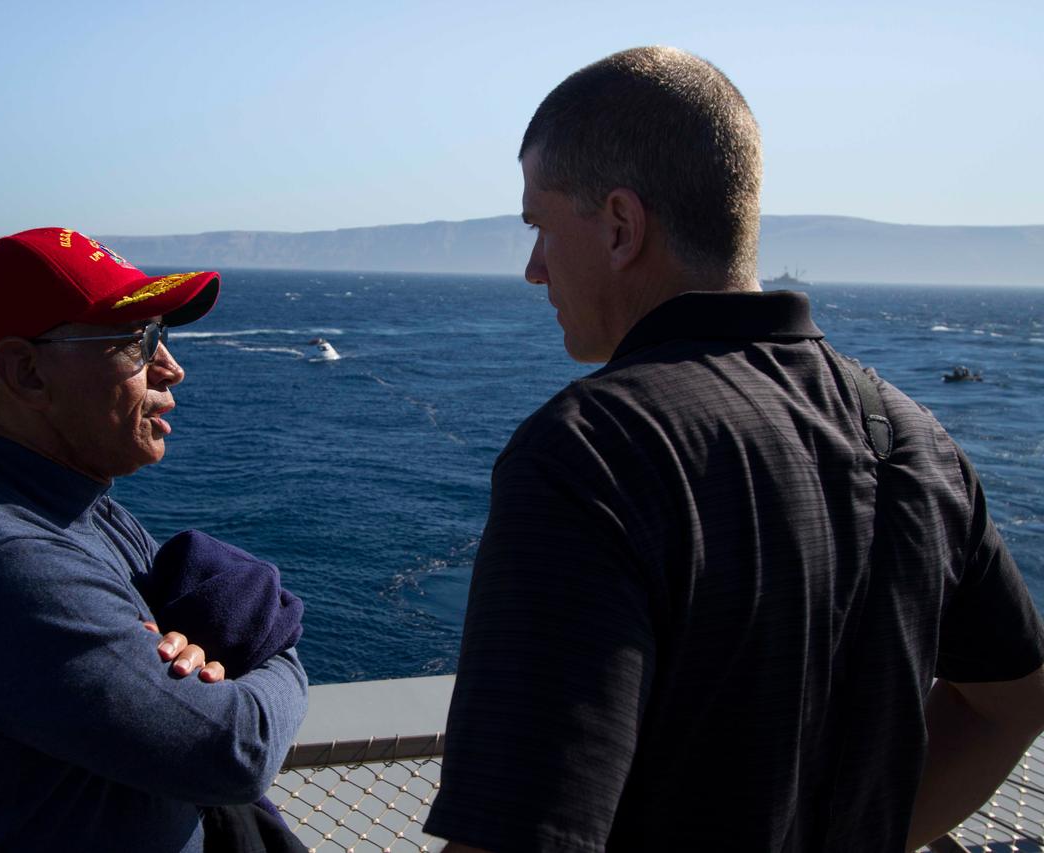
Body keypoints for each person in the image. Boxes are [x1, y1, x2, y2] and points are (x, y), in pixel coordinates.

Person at [423, 47, 1044, 852]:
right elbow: (1014, 701)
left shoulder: (588, 455)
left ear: (620, 226)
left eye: (540, 225)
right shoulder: (915, 440)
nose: (535, 269)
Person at [0, 227, 308, 852]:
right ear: (27, 373)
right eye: (136, 340)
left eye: (162, 335)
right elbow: (237, 750)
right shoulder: (6, 564)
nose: (171, 368)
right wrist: (278, 647)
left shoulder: (80, 512)